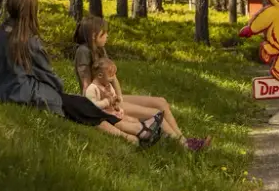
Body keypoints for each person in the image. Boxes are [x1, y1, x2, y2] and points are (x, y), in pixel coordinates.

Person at [0, 0, 163, 147]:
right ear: (29, 11)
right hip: (29, 95)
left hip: (4, 92)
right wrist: (58, 90)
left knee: (80, 106)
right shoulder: (29, 40)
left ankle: (134, 134)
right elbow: (46, 74)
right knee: (79, 106)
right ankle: (137, 131)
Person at [74, 16, 211, 151]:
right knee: (157, 113)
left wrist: (119, 97)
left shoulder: (100, 49)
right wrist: (93, 108)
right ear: (93, 35)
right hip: (100, 102)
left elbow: (113, 77)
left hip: (112, 98)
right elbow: (85, 84)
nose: (107, 36)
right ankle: (185, 147)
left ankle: (182, 140)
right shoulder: (83, 51)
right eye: (104, 33)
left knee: (161, 102)